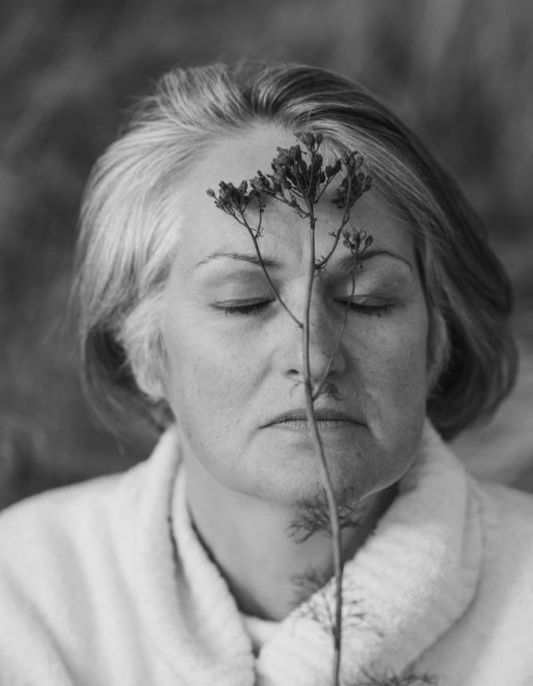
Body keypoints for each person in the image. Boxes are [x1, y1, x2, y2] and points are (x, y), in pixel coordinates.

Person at [0, 60, 532, 686]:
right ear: (144, 351)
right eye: (244, 302)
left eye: (365, 301)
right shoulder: (25, 596)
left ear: (437, 342)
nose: (314, 358)